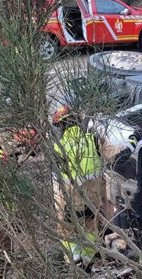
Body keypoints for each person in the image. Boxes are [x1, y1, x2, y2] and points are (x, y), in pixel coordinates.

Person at [51, 105, 104, 266]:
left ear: (60, 126)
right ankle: (89, 259)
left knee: (66, 229)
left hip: (71, 202)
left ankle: (74, 260)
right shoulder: (93, 139)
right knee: (91, 228)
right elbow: (117, 153)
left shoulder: (57, 149)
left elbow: (57, 182)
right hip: (93, 200)